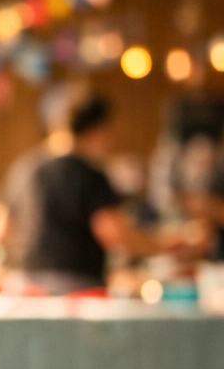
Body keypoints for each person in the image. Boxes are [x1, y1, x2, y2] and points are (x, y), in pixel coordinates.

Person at [22, 97, 190, 293]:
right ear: (96, 130)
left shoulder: (30, 168)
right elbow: (113, 232)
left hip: (29, 284)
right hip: (78, 288)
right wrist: (163, 246)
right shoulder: (89, 174)